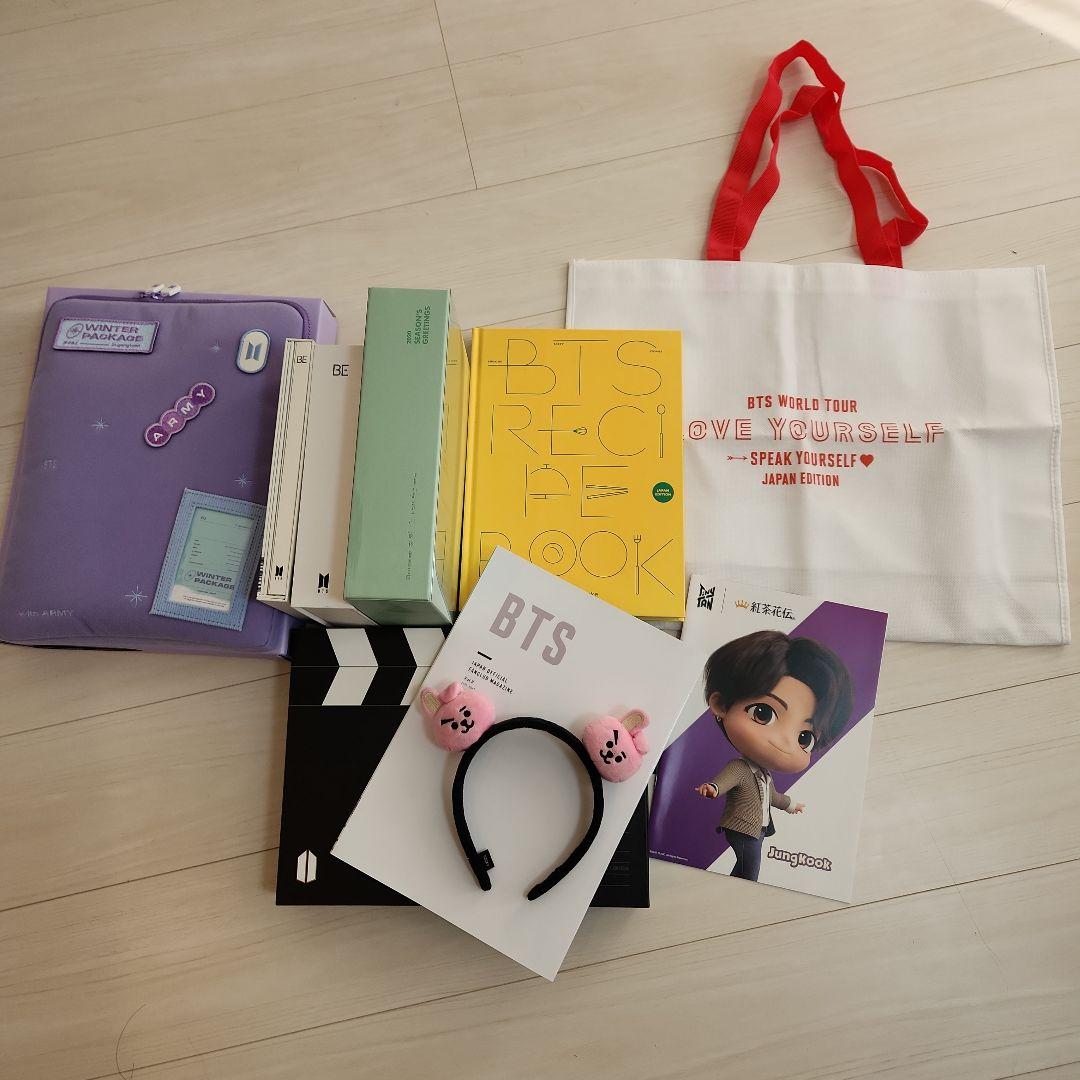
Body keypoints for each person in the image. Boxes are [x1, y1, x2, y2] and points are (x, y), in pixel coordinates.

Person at [693, 630, 852, 881]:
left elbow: (773, 797)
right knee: (750, 869)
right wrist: (713, 788)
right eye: (763, 714)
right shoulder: (740, 768)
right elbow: (725, 781)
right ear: (721, 704)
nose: (785, 742)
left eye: (804, 737)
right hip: (741, 827)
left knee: (747, 868)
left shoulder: (763, 775)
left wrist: (790, 805)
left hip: (757, 828)